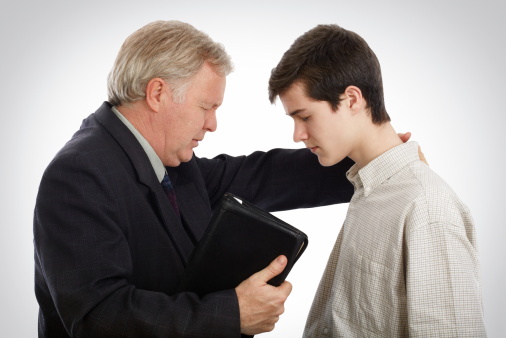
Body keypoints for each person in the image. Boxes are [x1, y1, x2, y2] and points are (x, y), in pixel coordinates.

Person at [33, 20, 361, 337]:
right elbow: (98, 318)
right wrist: (233, 314)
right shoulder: (78, 174)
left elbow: (263, 176)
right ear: (157, 93)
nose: (212, 124)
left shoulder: (171, 163)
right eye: (206, 106)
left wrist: (369, 157)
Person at [268, 24, 486, 337]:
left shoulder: (426, 206)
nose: (298, 135)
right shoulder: (368, 188)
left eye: (305, 117)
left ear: (352, 99)